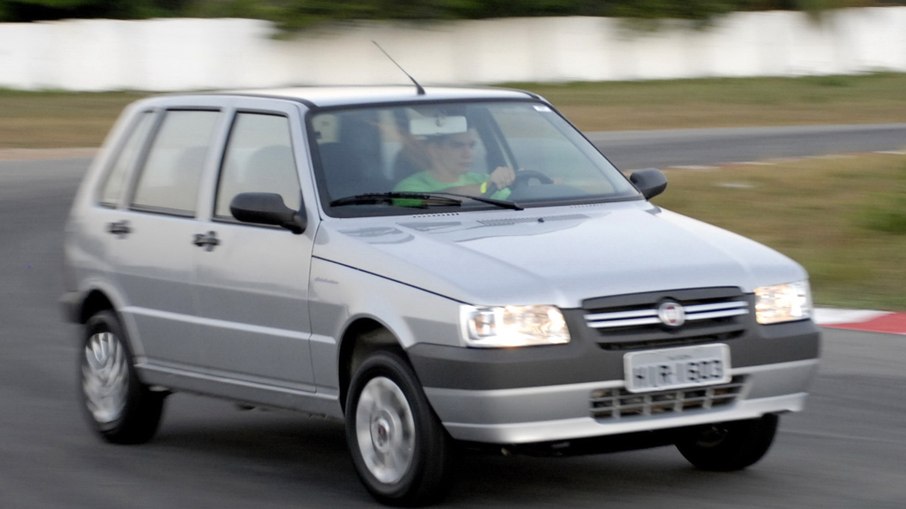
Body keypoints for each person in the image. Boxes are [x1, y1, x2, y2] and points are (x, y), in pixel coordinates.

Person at [394, 130, 516, 200]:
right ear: (434, 150)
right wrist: (486, 186)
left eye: (471, 146)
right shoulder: (408, 188)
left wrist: (512, 178)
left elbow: (514, 200)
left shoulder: (482, 179)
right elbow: (439, 200)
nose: (468, 154)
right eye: (457, 146)